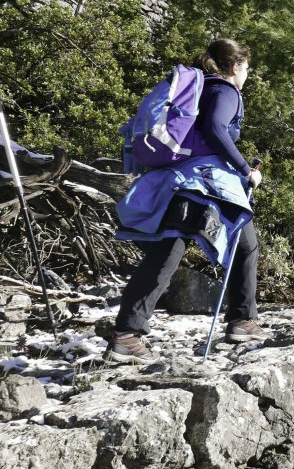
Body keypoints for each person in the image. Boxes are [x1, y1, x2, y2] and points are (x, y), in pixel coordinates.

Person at [108, 39, 266, 364]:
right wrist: (245, 169)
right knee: (244, 244)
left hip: (176, 180)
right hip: (203, 184)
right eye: (247, 68)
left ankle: (127, 334)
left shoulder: (199, 89)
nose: (247, 75)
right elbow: (215, 128)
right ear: (235, 66)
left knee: (167, 251)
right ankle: (241, 321)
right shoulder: (226, 91)